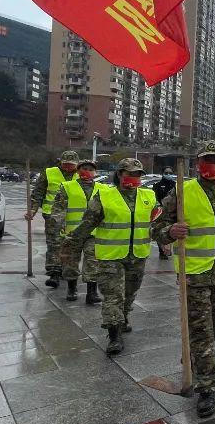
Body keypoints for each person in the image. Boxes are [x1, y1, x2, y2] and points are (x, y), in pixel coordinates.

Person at [152, 141, 215, 418]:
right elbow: (155, 228)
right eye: (207, 160)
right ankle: (207, 387)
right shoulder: (182, 192)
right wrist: (171, 230)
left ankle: (196, 357)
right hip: (194, 274)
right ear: (198, 164)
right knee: (201, 332)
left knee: (212, 327)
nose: (213, 166)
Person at [62, 158, 157, 355]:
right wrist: (70, 244)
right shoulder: (104, 196)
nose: (134, 177)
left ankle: (123, 318)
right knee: (113, 295)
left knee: (130, 293)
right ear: (120, 174)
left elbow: (157, 221)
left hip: (138, 255)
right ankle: (114, 335)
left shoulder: (149, 196)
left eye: (138, 174)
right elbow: (87, 224)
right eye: (130, 173)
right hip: (110, 257)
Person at [49, 158, 103, 305]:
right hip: (72, 233)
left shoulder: (103, 188)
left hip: (93, 233)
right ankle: (72, 289)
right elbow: (58, 208)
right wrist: (57, 224)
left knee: (93, 262)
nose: (88, 172)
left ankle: (92, 293)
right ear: (78, 171)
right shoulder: (67, 186)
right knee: (70, 263)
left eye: (91, 169)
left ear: (95, 172)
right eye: (84, 169)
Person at [26, 150, 79, 288]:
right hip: (53, 216)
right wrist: (32, 209)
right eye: (65, 164)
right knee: (54, 244)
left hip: (75, 217)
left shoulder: (81, 174)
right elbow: (38, 193)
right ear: (60, 162)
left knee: (70, 246)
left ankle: (68, 271)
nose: (68, 167)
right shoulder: (49, 173)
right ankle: (54, 273)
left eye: (71, 165)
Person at [153, 168, 177, 260]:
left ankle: (167, 250)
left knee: (171, 231)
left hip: (172, 212)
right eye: (166, 173)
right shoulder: (158, 185)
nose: (168, 174)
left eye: (170, 173)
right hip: (161, 211)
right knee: (161, 230)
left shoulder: (175, 185)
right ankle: (162, 251)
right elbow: (156, 198)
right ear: (163, 174)